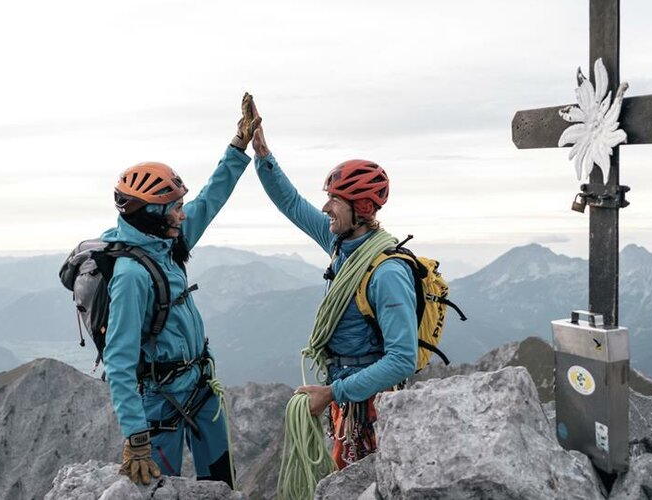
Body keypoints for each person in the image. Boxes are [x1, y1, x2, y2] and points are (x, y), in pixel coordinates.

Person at [102, 94, 261, 487]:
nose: (182, 213)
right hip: (159, 404)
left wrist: (238, 147)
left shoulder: (167, 242)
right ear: (151, 214)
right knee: (161, 489)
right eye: (174, 207)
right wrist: (136, 438)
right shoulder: (131, 275)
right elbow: (119, 362)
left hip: (201, 388)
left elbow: (210, 200)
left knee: (222, 486)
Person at [249, 105, 418, 468]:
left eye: (335, 201)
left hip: (370, 406)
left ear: (360, 208)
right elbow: (293, 205)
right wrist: (262, 154)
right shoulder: (341, 247)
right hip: (348, 396)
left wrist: (331, 393)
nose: (325, 207)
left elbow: (402, 360)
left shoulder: (385, 273)